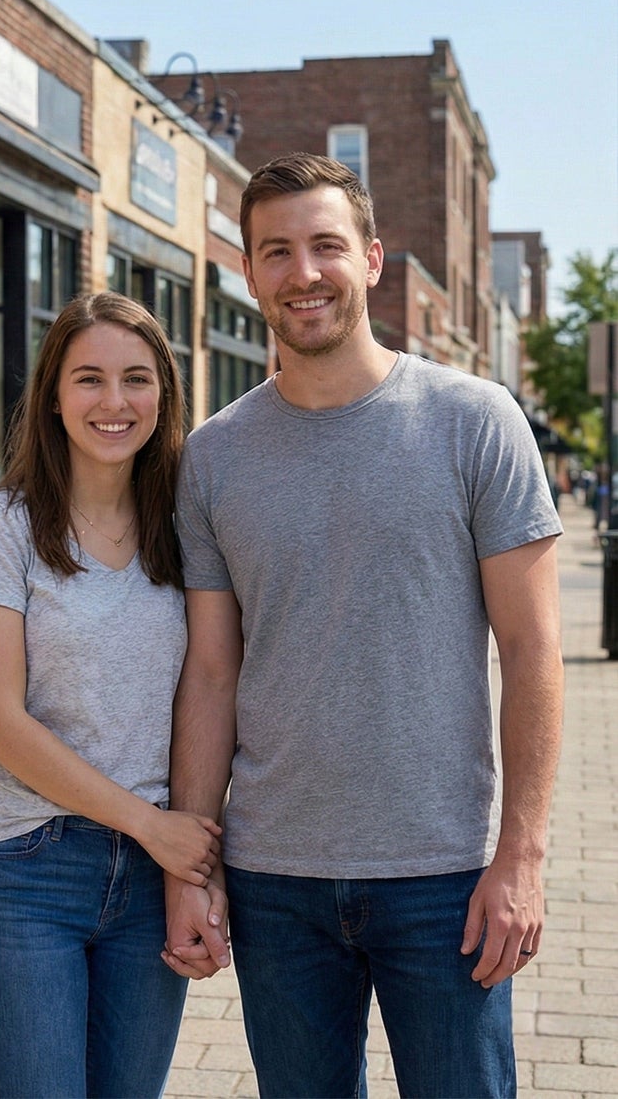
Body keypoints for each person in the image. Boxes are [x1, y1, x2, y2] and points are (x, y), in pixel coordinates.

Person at [165, 153, 564, 1097]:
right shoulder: (213, 457)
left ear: (373, 259)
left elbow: (534, 652)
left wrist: (523, 854)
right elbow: (211, 676)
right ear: (248, 271)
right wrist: (192, 860)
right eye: (275, 252)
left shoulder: (475, 421)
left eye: (325, 246)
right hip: (274, 876)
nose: (302, 273)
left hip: (444, 875)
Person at [0, 292, 222, 1098]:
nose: (113, 401)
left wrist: (191, 868)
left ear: (163, 395)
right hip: (28, 866)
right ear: (53, 394)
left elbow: (210, 688)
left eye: (136, 378)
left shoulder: (185, 529)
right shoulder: (1, 526)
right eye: (89, 378)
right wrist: (152, 826)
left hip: (149, 878)